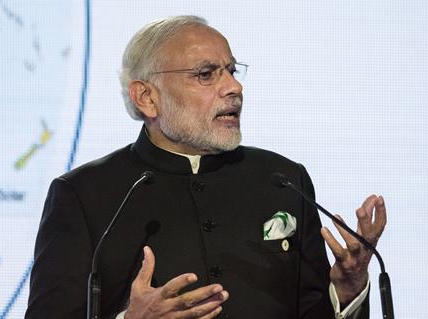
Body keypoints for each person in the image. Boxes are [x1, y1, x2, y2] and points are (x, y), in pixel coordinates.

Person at [26, 16, 387, 319]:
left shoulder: (283, 180)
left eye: (231, 70)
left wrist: (348, 286)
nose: (234, 87)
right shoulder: (84, 193)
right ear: (147, 97)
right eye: (206, 74)